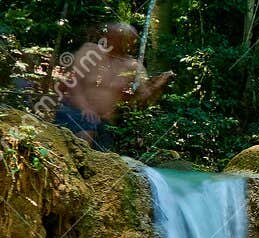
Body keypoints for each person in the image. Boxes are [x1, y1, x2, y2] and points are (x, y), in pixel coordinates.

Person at [51, 22, 172, 150]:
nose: (117, 40)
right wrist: (85, 107)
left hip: (105, 122)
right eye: (113, 35)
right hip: (75, 112)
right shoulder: (90, 51)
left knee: (103, 155)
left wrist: (158, 85)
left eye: (124, 38)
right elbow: (73, 82)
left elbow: (144, 95)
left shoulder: (133, 66)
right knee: (85, 136)